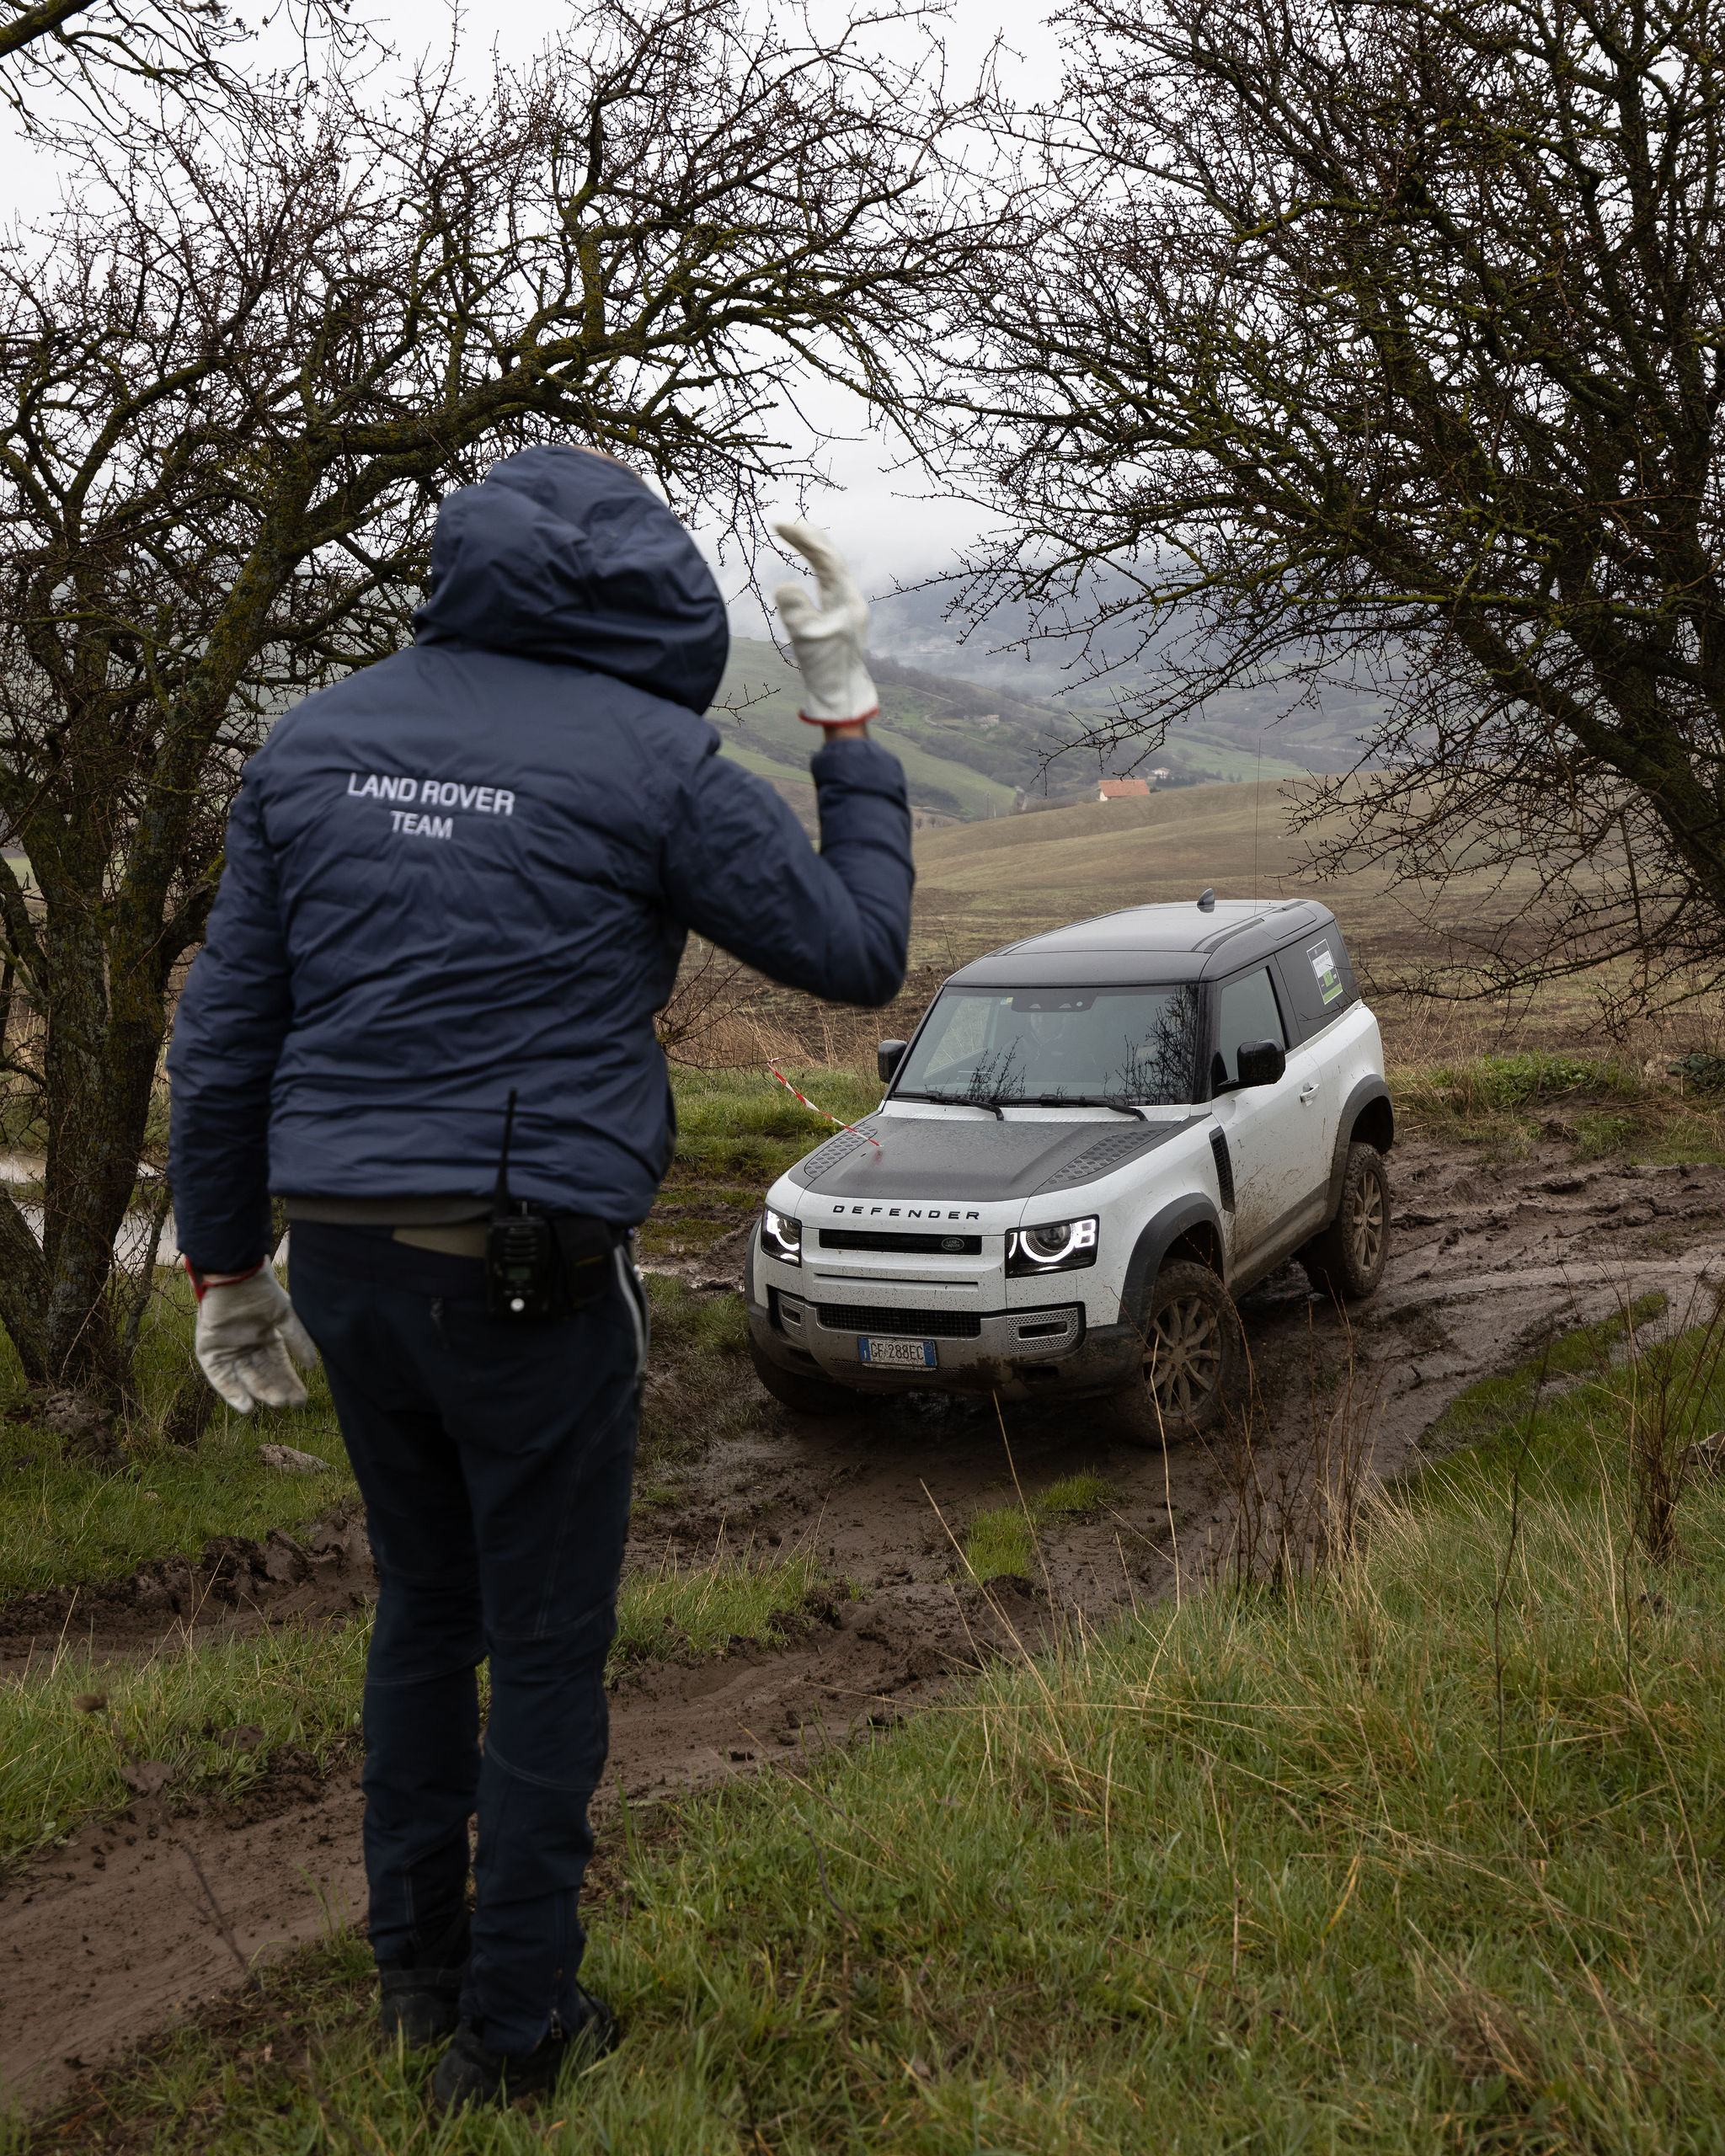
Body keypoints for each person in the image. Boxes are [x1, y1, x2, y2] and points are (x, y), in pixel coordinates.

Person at [166, 443, 911, 2111]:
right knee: (548, 1641)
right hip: (529, 1270)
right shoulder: (655, 760)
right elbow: (857, 954)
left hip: (348, 1261)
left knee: (423, 1610)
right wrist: (844, 712)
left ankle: (415, 1986)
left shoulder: (314, 743)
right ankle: (514, 2038)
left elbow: (224, 1044)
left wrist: (225, 1260)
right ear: (649, 597)